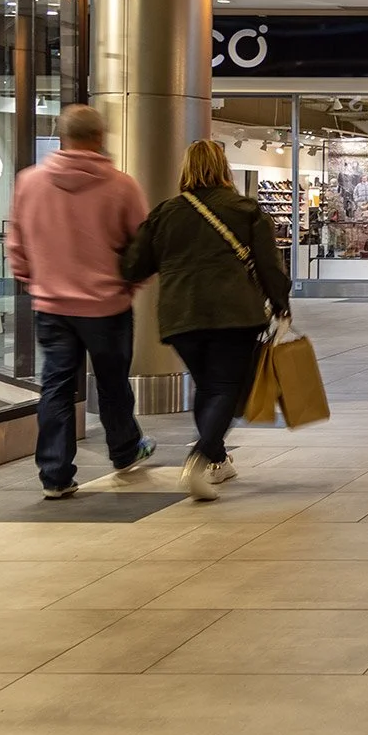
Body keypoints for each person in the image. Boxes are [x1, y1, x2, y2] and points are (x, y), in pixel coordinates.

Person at [122, 140, 292, 500]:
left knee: (207, 386)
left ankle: (218, 460)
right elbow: (268, 264)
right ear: (224, 167)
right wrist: (280, 302)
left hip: (181, 316)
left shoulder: (166, 212)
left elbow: (135, 265)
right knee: (225, 389)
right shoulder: (245, 209)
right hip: (234, 314)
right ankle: (200, 458)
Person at [9, 105, 156, 499]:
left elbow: (17, 240)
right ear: (100, 137)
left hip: (52, 305)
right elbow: (143, 246)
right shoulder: (122, 186)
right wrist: (131, 284)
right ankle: (124, 451)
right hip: (107, 306)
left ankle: (55, 474)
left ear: (62, 137)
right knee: (112, 383)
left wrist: (31, 280)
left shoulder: (29, 182)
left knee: (55, 385)